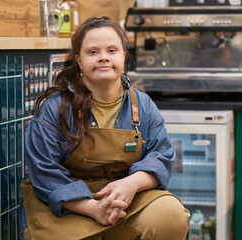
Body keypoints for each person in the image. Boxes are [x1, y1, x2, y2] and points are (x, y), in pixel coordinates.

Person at [20, 16, 190, 240]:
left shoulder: (143, 105)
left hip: (126, 202)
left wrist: (131, 184)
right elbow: (43, 172)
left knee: (170, 216)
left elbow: (162, 157)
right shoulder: (54, 109)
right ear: (79, 60)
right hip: (69, 207)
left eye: (111, 50)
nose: (103, 58)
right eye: (93, 52)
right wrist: (93, 208)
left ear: (123, 56)